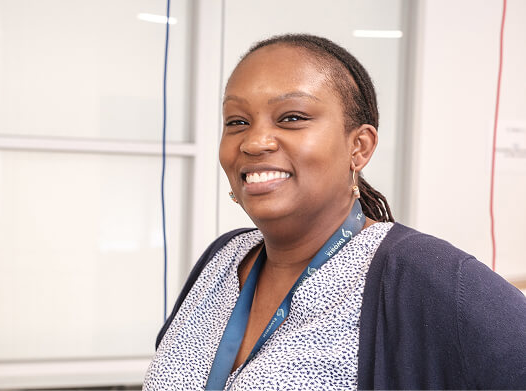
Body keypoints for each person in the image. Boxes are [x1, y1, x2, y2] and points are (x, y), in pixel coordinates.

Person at [143, 34, 526, 390]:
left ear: (359, 146)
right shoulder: (223, 259)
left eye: (291, 117)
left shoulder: (425, 274)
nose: (255, 141)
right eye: (237, 122)